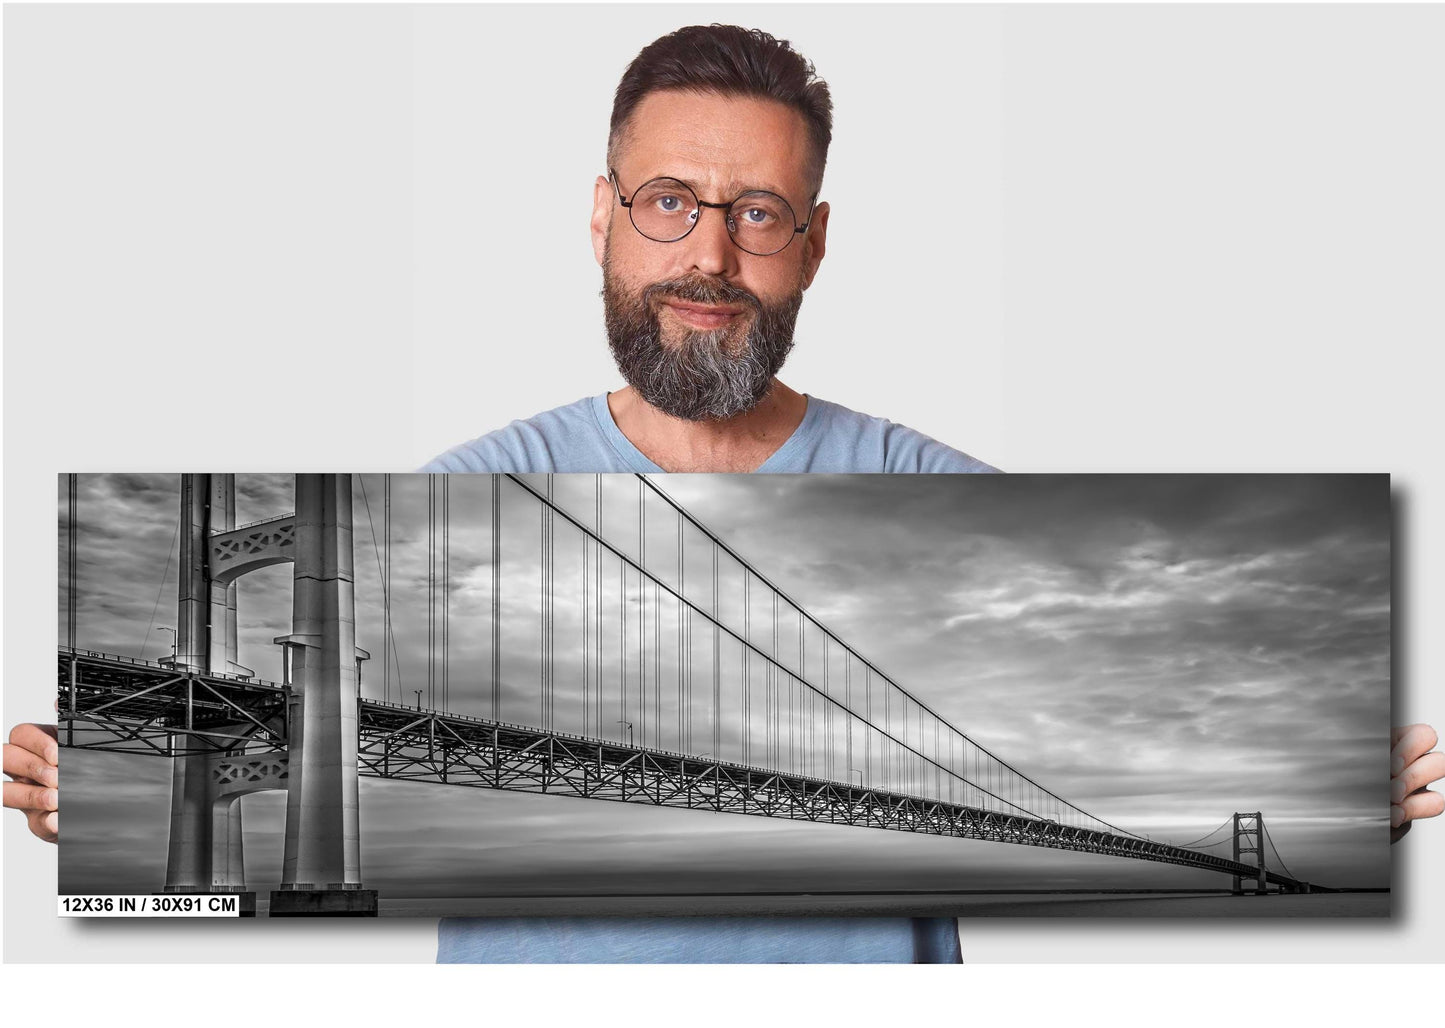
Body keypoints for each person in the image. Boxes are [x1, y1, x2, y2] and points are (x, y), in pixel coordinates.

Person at [7, 23, 1442, 963]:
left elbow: (1142, 697)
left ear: (811, 243)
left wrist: (1330, 771)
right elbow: (205, 893)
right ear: (602, 217)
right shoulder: (450, 490)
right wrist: (111, 808)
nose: (709, 255)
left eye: (756, 213)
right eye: (668, 202)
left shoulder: (938, 492)